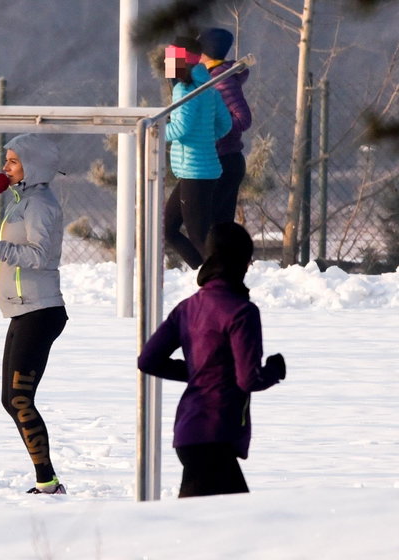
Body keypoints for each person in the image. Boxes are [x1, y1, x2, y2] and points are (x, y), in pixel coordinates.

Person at [137, 222, 286, 498]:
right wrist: (275, 370)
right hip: (216, 431)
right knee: (228, 525)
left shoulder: (187, 307)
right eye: (248, 260)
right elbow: (248, 378)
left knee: (209, 524)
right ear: (241, 261)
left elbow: (148, 360)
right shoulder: (242, 311)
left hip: (188, 430)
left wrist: (199, 372)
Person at [0, 133, 68, 495]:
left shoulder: (41, 204)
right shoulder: (23, 201)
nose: (4, 167)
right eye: (6, 160)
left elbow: (38, 255)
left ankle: (48, 483)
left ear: (32, 165)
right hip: (24, 310)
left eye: (12, 161)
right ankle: (47, 481)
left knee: (19, 399)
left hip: (40, 310)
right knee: (12, 399)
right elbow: (11, 244)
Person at [163, 37, 232, 269]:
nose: (166, 65)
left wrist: (154, 131)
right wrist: (205, 138)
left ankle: (219, 279)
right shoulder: (208, 87)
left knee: (198, 236)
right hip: (202, 169)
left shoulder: (183, 89)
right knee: (169, 229)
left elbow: (180, 128)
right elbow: (225, 124)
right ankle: (202, 274)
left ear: (180, 63)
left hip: (194, 171)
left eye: (170, 60)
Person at [198, 28, 252, 225]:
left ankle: (214, 256)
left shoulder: (222, 79)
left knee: (210, 226)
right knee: (216, 227)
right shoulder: (209, 76)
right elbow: (176, 88)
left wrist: (215, 133)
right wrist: (173, 54)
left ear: (206, 52)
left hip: (224, 160)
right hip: (220, 160)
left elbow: (243, 118)